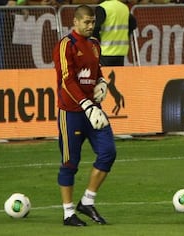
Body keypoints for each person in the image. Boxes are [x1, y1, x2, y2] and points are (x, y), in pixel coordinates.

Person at [52, 4, 117, 226]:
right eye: (87, 22)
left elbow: (97, 71)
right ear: (76, 22)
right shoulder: (65, 45)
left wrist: (101, 82)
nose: (91, 26)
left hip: (92, 111)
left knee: (108, 152)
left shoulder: (95, 44)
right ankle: (68, 213)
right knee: (70, 162)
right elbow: (66, 80)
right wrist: (86, 105)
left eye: (93, 22)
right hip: (71, 112)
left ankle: (87, 202)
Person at [92, 0, 137, 66]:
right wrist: (125, 35)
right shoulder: (124, 7)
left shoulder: (103, 7)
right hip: (121, 51)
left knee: (104, 75)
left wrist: (97, 41)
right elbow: (133, 24)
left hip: (105, 51)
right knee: (117, 75)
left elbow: (96, 28)